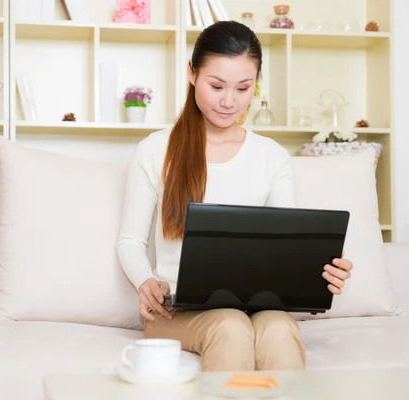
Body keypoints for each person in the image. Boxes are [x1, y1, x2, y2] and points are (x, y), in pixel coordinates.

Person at [116, 20, 353, 373]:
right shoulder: (155, 150)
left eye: (243, 88)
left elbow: (287, 248)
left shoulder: (272, 157)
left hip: (260, 309)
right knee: (230, 325)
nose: (229, 101)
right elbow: (130, 241)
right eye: (216, 86)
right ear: (192, 74)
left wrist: (320, 268)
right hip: (176, 312)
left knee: (277, 328)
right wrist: (146, 282)